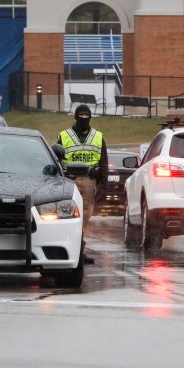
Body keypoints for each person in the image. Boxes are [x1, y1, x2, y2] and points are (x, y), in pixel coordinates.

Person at [57, 104, 108, 265]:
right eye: (81, 115)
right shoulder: (64, 136)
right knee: (66, 215)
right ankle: (65, 248)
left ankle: (79, 249)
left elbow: (104, 163)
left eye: (87, 115)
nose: (84, 118)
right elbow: (57, 159)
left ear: (90, 117)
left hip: (89, 181)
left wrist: (103, 186)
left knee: (85, 217)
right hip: (69, 181)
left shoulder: (98, 137)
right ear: (75, 117)